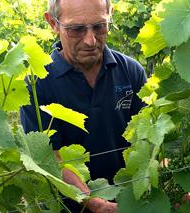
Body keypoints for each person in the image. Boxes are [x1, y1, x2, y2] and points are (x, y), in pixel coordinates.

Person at [20, 0, 147, 212]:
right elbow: (50, 155)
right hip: (67, 207)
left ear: (110, 15)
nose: (90, 40)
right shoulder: (37, 83)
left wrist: (167, 183)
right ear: (53, 23)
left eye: (99, 26)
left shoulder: (131, 71)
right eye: (76, 29)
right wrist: (94, 203)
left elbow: (147, 140)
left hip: (129, 201)